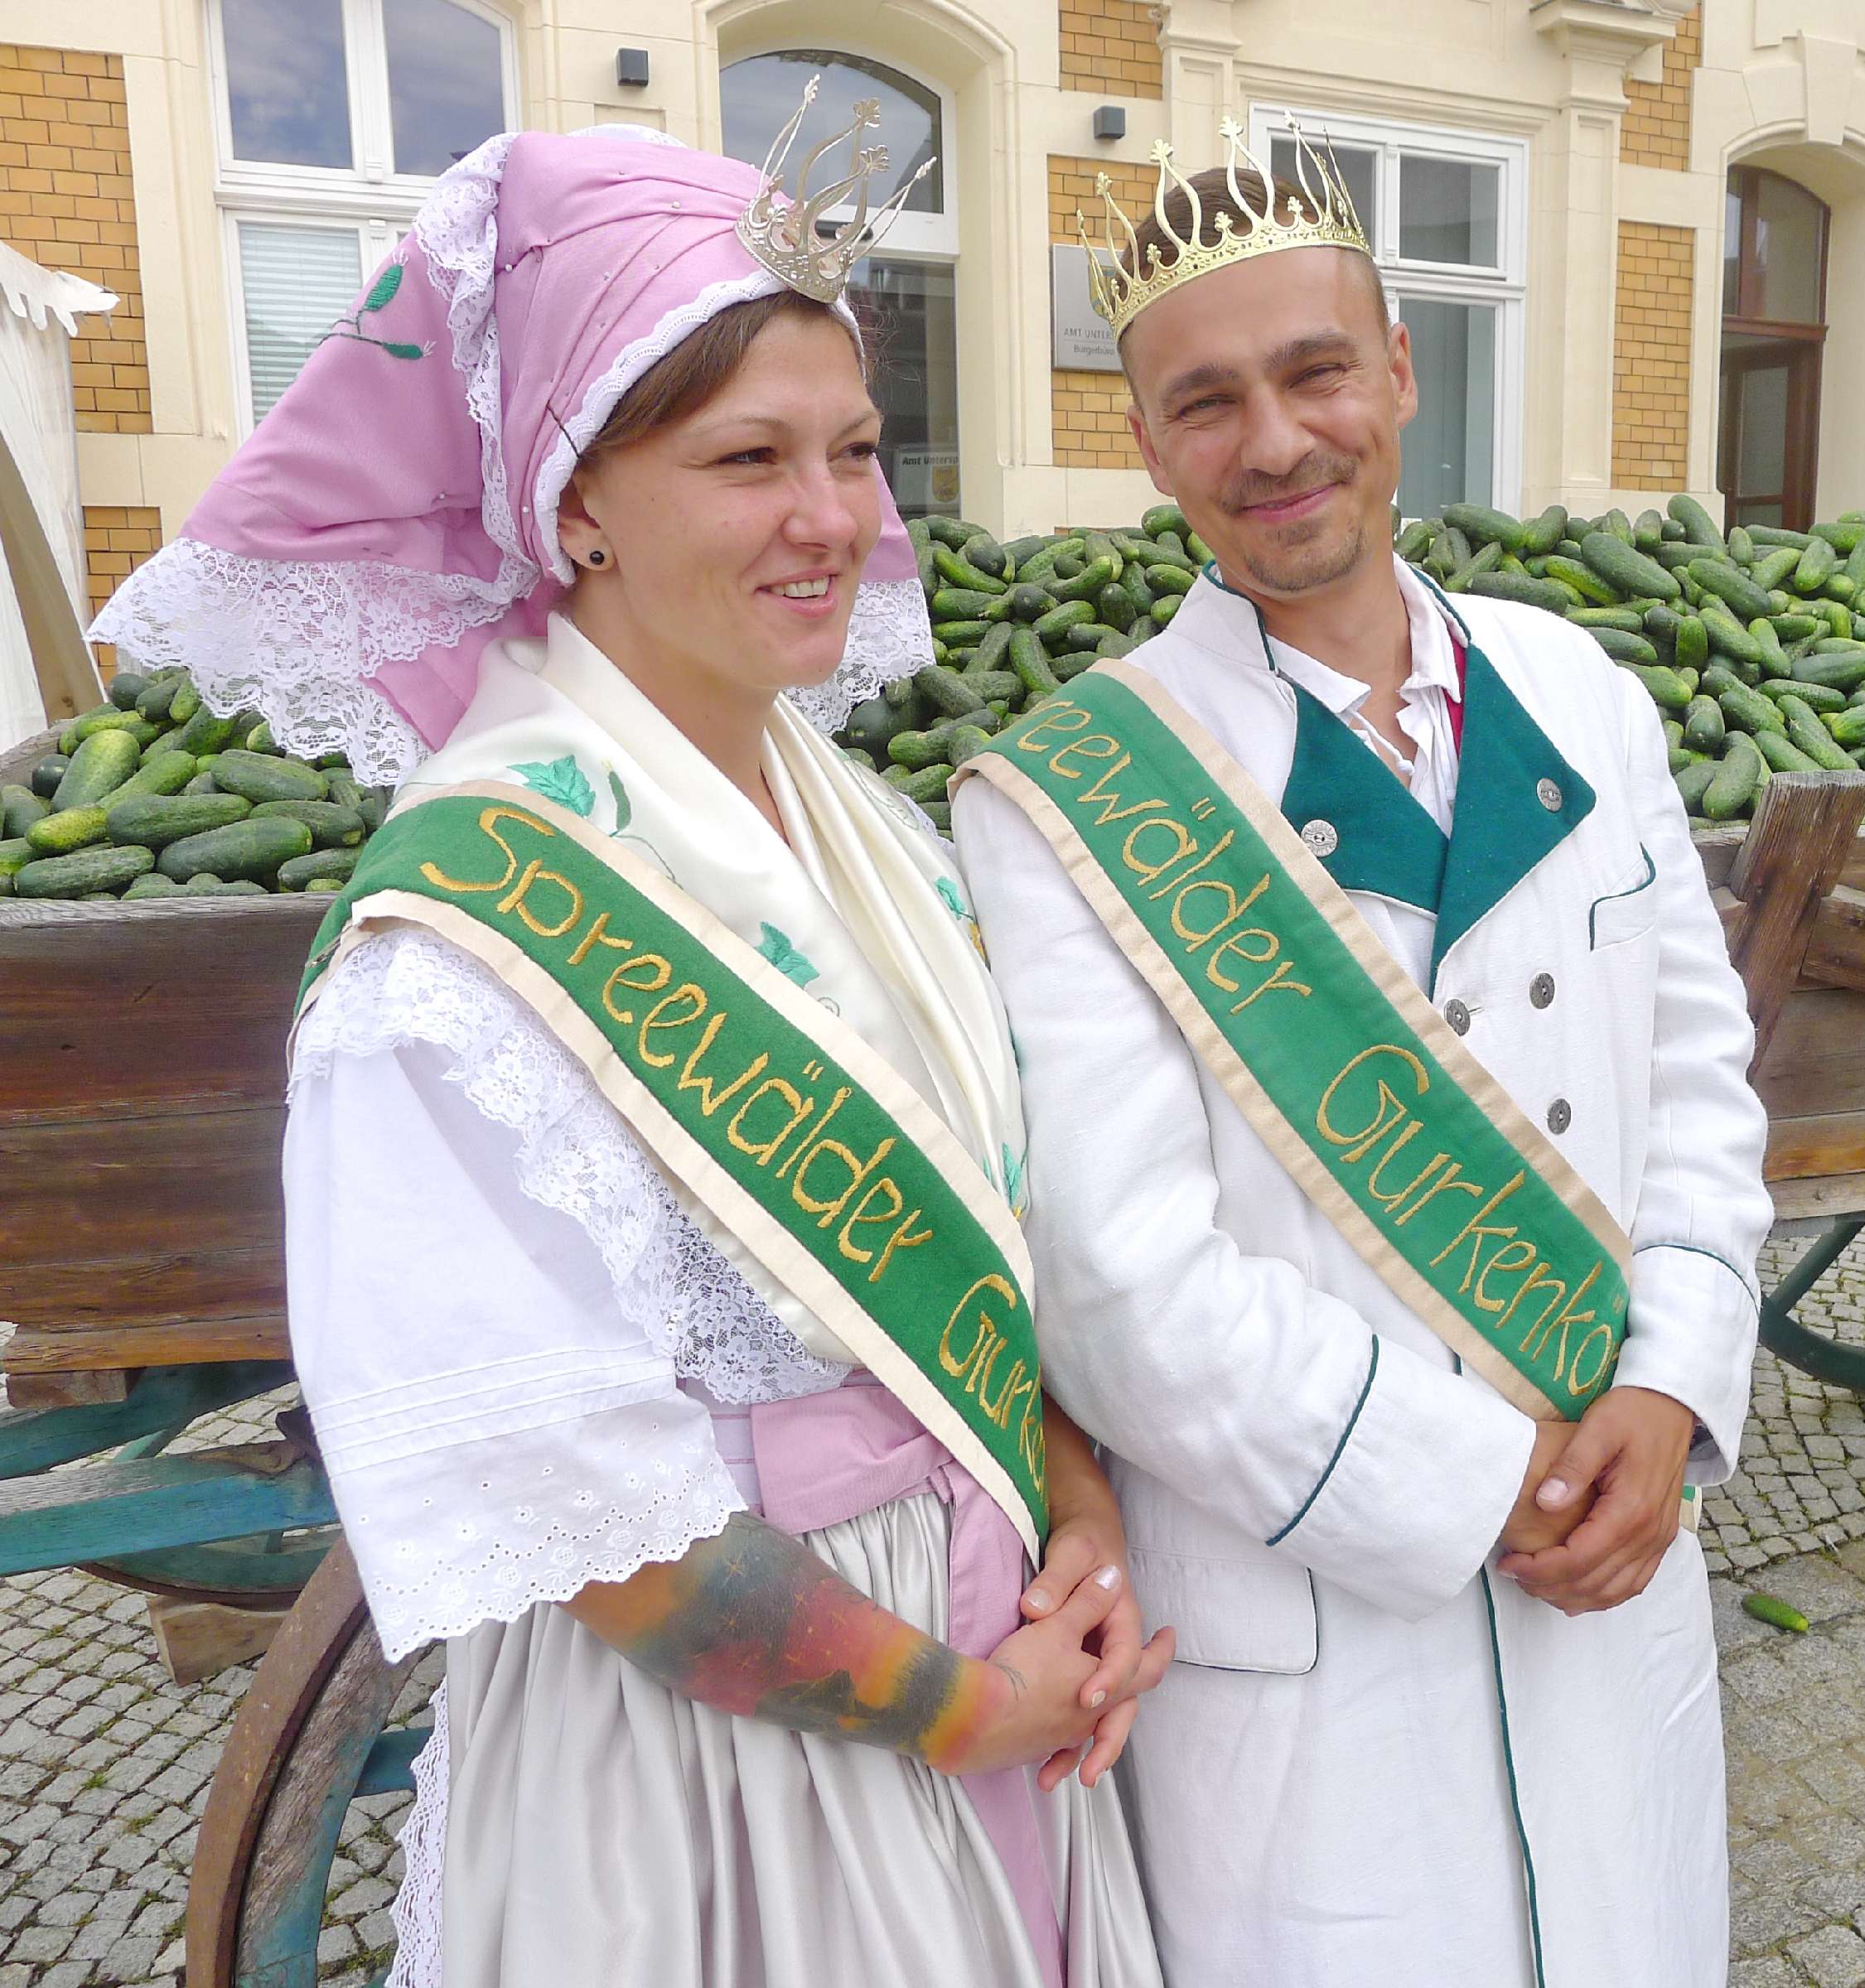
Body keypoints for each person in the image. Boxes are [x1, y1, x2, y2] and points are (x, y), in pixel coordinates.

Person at [93, 110, 1168, 1988]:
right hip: (739, 1785)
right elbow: (591, 1525)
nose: (833, 516)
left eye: (853, 449)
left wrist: (1075, 1511)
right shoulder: (458, 946)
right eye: (748, 457)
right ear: (572, 500)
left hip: (990, 1638)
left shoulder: (862, 825)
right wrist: (962, 1710)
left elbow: (984, 1236)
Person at [949, 125, 1774, 1988]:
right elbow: (1117, 1284)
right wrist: (1481, 1485)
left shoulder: (1583, 693)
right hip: (1320, 1638)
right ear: (1148, 443)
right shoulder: (1065, 799)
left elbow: (1700, 1085)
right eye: (1206, 403)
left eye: (1315, 372)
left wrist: (1670, 1385)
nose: (1273, 442)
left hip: (1612, 1579)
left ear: (1400, 372)